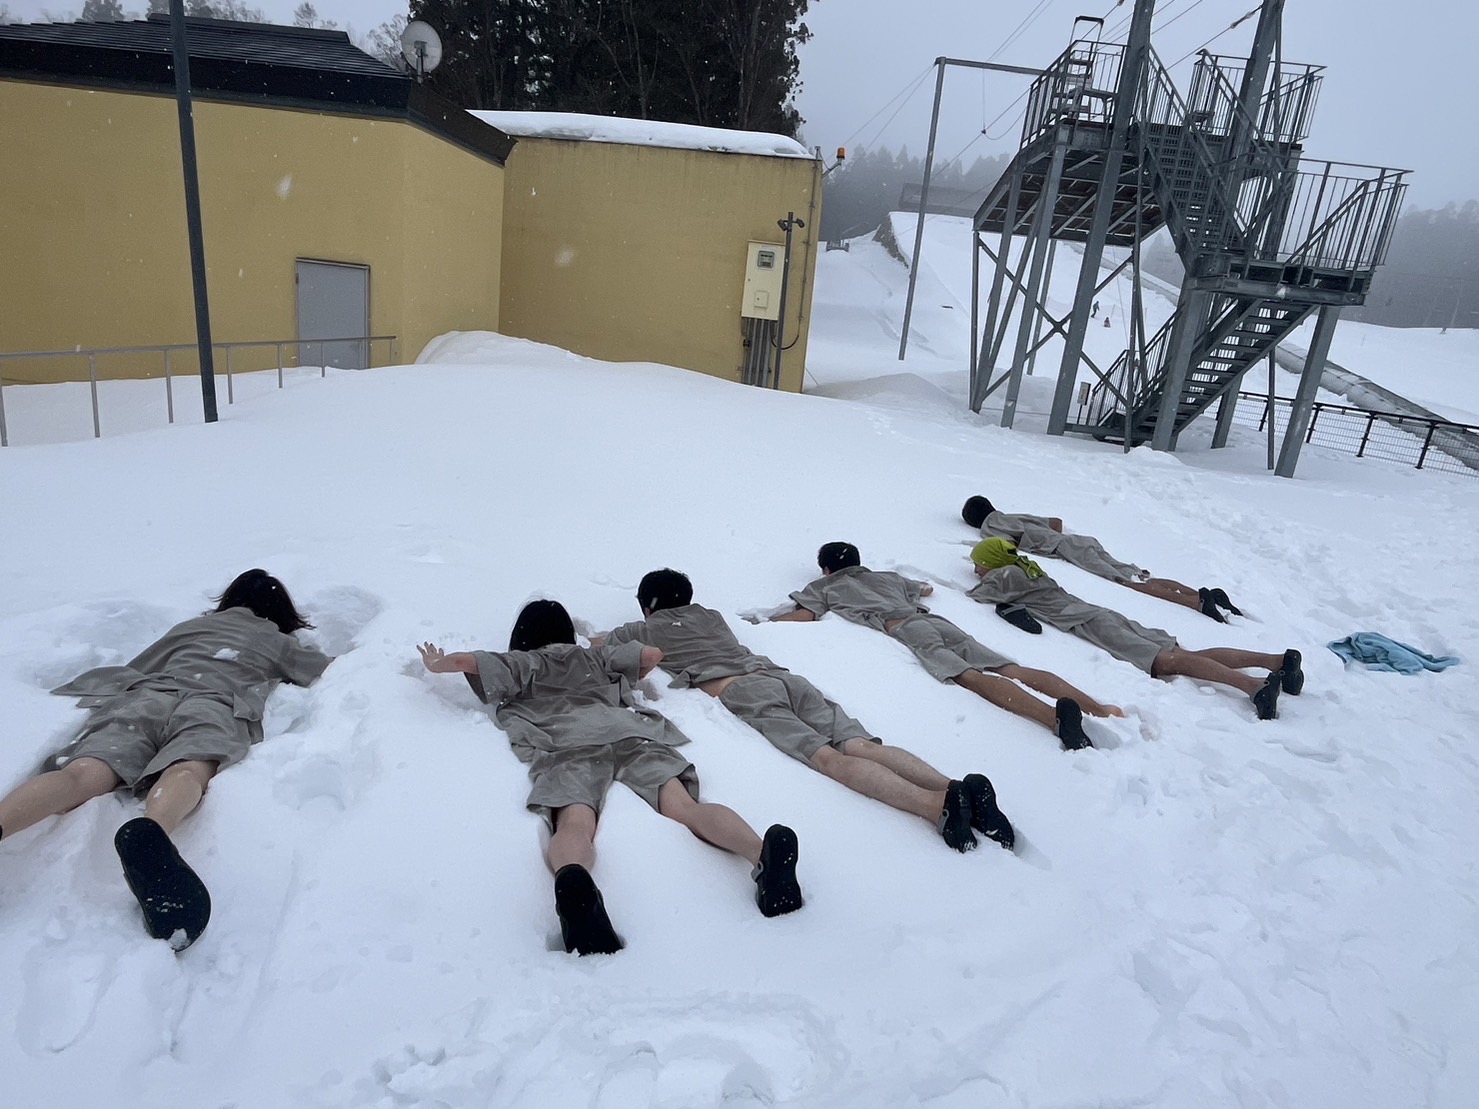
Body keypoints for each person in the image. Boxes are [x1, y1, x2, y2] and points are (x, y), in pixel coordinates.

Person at [417, 599, 802, 958]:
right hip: (629, 734)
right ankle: (760, 855)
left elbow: (468, 663)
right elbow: (651, 654)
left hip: (566, 746)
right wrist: (629, 676)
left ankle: (575, 881)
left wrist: (438, 663)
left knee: (575, 822)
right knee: (685, 807)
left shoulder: (522, 663)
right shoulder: (594, 657)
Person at [0, 570, 333, 950]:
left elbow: (139, 667)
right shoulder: (276, 641)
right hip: (214, 702)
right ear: (281, 612)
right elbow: (328, 671)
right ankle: (153, 832)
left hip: (149, 696)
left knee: (82, 773)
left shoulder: (189, 628)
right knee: (188, 767)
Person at [597, 569, 1013, 853]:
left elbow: (604, 649)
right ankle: (955, 787)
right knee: (860, 744)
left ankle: (934, 804)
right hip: (784, 678)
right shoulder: (711, 615)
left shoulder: (640, 629)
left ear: (647, 606)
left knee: (829, 758)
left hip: (743, 690)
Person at [773, 543, 1123, 752]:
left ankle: (1055, 719)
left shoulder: (825, 587)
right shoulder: (887, 577)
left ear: (826, 568)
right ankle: (1100, 708)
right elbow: (924, 590)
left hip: (908, 630)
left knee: (967, 676)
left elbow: (805, 615)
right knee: (1007, 668)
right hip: (935, 622)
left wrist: (766, 625)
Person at [967, 538, 1302, 720]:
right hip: (1101, 613)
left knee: (1167, 662)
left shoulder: (1004, 576)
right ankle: (1276, 662)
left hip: (1090, 623)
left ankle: (1253, 686)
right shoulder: (1027, 568)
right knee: (1184, 656)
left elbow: (975, 595)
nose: (975, 568)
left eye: (978, 561)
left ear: (993, 562)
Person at [961, 494, 1242, 623]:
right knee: (1136, 573)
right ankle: (1204, 594)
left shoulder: (991, 525)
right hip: (1081, 542)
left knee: (1126, 582)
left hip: (1068, 550)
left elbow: (1005, 548)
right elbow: (1056, 522)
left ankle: (1196, 603)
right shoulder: (1014, 514)